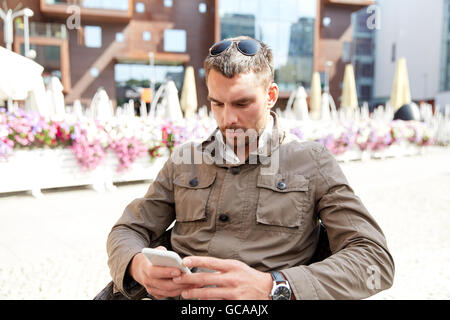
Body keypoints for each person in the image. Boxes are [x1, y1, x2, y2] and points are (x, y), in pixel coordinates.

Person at [106, 36, 394, 300]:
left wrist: (275, 286)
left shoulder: (312, 161)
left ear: (271, 96)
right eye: (216, 103)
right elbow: (128, 229)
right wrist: (137, 265)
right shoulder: (185, 159)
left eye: (242, 103)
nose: (228, 118)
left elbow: (375, 261)